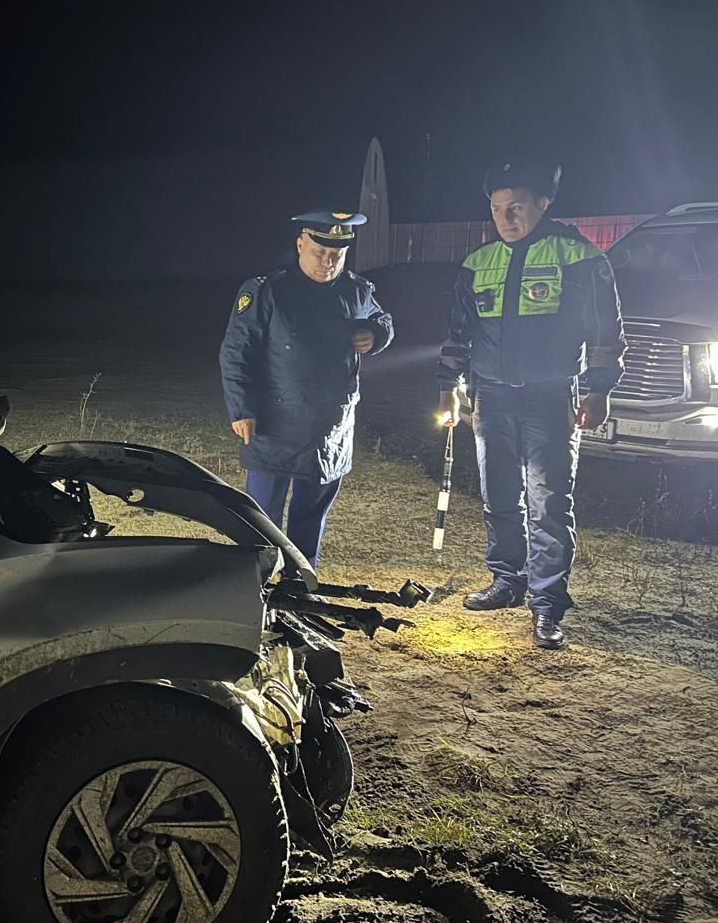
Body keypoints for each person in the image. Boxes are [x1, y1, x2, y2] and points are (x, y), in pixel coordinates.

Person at [436, 159, 626, 649]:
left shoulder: (579, 256)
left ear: (543, 204)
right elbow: (459, 332)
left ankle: (547, 605)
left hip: (551, 397)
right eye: (497, 209)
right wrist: (448, 384)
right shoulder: (477, 264)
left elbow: (605, 329)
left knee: (548, 502)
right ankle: (507, 580)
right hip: (490, 397)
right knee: (497, 493)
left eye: (516, 207)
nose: (506, 217)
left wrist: (599, 388)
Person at [219, 210, 393, 568]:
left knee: (311, 513)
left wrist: (376, 335)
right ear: (301, 244)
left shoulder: (356, 290)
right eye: (320, 252)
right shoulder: (268, 290)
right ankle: (258, 580)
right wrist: (241, 409)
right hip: (275, 421)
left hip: (330, 426)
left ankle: (301, 580)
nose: (329, 262)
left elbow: (382, 320)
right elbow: (237, 352)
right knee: (262, 517)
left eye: (337, 254)